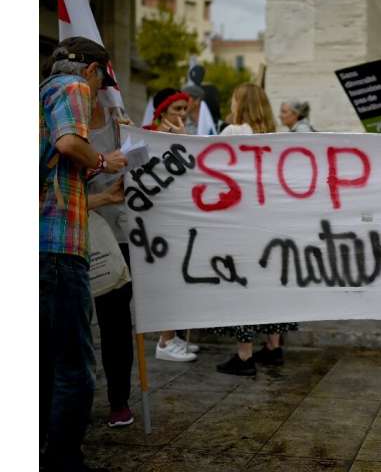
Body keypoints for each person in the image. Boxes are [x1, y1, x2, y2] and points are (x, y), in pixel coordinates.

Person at [40, 36, 128, 472]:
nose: (97, 91)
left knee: (42, 360)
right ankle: (63, 459)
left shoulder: (40, 96)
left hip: (41, 243)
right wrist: (102, 162)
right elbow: (70, 145)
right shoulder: (72, 89)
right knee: (74, 363)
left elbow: (52, 190)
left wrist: (101, 197)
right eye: (101, 80)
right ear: (91, 71)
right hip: (58, 250)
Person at [213, 83, 298, 376]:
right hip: (272, 225)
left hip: (240, 223)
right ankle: (273, 347)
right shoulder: (279, 138)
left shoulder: (232, 133)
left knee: (242, 287)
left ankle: (245, 355)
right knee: (270, 286)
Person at [86, 100, 136, 428]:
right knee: (69, 326)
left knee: (116, 322)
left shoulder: (120, 120)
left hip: (118, 234)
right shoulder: (56, 124)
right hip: (74, 233)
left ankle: (119, 400)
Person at [143, 88, 201, 361]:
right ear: (162, 111)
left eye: (184, 108)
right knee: (168, 280)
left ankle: (173, 335)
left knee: (180, 278)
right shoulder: (151, 136)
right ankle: (165, 342)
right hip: (160, 220)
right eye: (176, 109)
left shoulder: (175, 133)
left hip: (178, 216)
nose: (182, 114)